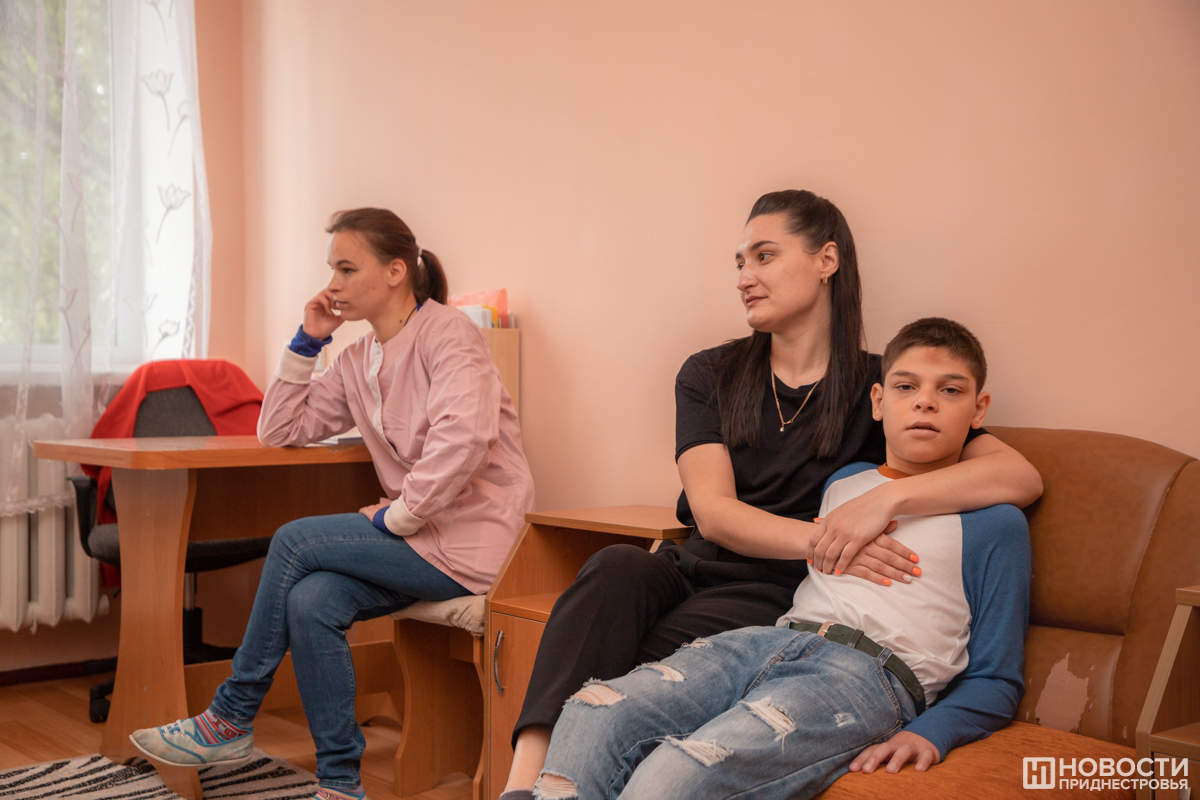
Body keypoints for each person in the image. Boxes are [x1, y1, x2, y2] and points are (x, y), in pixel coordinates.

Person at [501, 191, 1043, 800]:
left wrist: (883, 504)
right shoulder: (710, 373)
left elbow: (1017, 475)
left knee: (625, 676)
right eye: (739, 262)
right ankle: (522, 783)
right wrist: (830, 535)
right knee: (613, 571)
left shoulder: (886, 387)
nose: (744, 277)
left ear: (826, 260)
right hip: (704, 562)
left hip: (778, 592)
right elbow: (713, 513)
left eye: (764, 256)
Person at [129, 208, 535, 800]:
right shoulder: (357, 359)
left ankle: (230, 717)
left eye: (347, 269)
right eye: (332, 270)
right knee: (312, 600)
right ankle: (341, 784)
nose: (333, 284)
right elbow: (279, 428)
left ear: (395, 271)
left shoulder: (449, 334)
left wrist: (398, 515)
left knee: (294, 540)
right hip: (418, 542)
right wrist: (307, 340)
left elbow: (465, 439)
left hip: (476, 541)